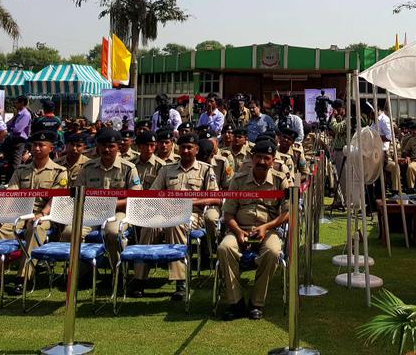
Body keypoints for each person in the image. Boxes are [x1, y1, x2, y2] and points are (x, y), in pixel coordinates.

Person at [0, 130, 68, 297]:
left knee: (35, 227)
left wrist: (42, 214)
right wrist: (2, 215)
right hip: (19, 212)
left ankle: (24, 277)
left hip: (44, 215)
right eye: (34, 145)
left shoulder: (59, 171)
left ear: (51, 148)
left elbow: (55, 198)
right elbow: (11, 194)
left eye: (41, 145)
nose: (37, 148)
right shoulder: (21, 170)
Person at [130, 135, 220, 300]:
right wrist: (166, 203)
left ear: (196, 150)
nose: (185, 151)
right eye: (183, 147)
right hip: (165, 212)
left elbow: (215, 197)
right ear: (178, 149)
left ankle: (180, 281)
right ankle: (139, 279)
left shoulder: (206, 170)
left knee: (176, 224)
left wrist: (192, 202)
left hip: (193, 215)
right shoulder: (167, 169)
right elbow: (153, 194)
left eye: (189, 147)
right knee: (149, 225)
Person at [218, 139, 291, 321]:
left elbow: (288, 213)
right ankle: (236, 302)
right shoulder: (238, 180)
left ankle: (256, 303)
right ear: (252, 158)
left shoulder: (280, 180)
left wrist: (266, 227)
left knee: (273, 251)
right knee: (224, 248)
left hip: (268, 230)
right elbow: (228, 213)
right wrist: (238, 231)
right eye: (258, 157)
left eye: (266, 158)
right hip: (239, 229)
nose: (262, 162)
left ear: (273, 161)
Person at [72, 128, 142, 265]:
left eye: (111, 146)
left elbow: (135, 197)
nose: (107, 149)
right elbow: (77, 193)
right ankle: (83, 270)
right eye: (103, 145)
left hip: (118, 212)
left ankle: (117, 269)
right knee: (71, 232)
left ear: (118, 147)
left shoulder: (129, 168)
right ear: (98, 146)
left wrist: (113, 204)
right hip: (92, 212)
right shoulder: (88, 168)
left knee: (113, 232)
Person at [2, 96, 32, 174]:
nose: (15, 104)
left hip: (19, 141)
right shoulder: (19, 114)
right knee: (10, 163)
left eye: (17, 102)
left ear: (22, 103)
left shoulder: (25, 114)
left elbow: (17, 129)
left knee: (15, 164)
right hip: (13, 140)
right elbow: (7, 124)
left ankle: (15, 179)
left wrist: (10, 129)